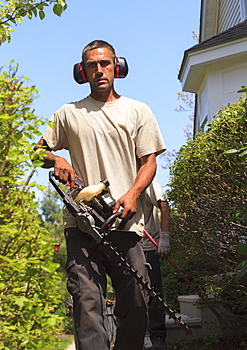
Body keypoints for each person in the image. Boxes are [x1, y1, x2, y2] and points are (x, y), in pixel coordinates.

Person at [34, 40, 166, 350]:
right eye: (92, 65)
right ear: (82, 71)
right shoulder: (67, 114)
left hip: (126, 222)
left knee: (136, 303)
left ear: (117, 66)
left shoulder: (138, 111)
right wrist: (56, 159)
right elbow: (35, 152)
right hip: (82, 225)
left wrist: (133, 194)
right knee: (87, 304)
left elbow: (149, 162)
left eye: (104, 63)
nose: (99, 70)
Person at [143, 178, 170, 350]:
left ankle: (158, 339)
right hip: (124, 245)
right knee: (129, 296)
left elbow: (164, 205)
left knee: (154, 296)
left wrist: (165, 238)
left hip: (148, 246)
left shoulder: (147, 180)